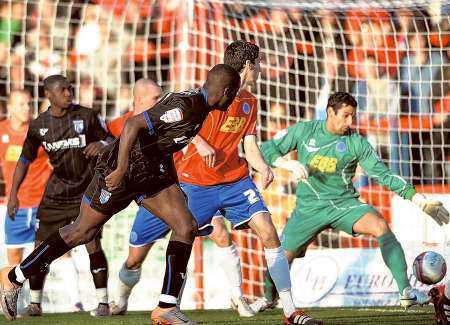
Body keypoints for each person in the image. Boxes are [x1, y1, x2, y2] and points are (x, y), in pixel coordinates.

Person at [0, 64, 241, 324]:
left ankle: (166, 308)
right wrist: (121, 168)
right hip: (121, 170)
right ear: (226, 91)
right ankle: (14, 277)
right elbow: (132, 124)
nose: (233, 99)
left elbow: (164, 145)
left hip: (149, 172)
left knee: (186, 226)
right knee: (81, 232)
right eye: (234, 93)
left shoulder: (200, 108)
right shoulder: (185, 107)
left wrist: (173, 185)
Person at [112, 41, 323, 325]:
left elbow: (248, 142)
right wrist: (198, 142)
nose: (261, 68)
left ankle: (289, 310)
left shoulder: (249, 102)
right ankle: (164, 305)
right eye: (258, 63)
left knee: (269, 232)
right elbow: (179, 120)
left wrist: (262, 166)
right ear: (248, 65)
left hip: (235, 181)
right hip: (194, 183)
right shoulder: (210, 96)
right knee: (152, 250)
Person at [250, 92, 450, 313]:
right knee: (280, 257)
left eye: (353, 116)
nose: (350, 122)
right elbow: (268, 148)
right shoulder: (305, 131)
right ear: (330, 112)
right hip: (308, 209)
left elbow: (383, 174)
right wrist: (286, 165)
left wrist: (419, 200)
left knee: (380, 226)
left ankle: (406, 292)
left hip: (344, 205)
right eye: (345, 116)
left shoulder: (356, 142)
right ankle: (269, 297)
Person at [4, 75, 113, 317]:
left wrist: (103, 144)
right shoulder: (38, 125)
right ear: (48, 94)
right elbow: (24, 159)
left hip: (87, 190)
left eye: (70, 88)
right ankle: (35, 303)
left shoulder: (87, 115)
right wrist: (13, 194)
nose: (68, 92)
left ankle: (103, 303)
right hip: (56, 193)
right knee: (40, 246)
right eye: (62, 89)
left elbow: (112, 139)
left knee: (92, 242)